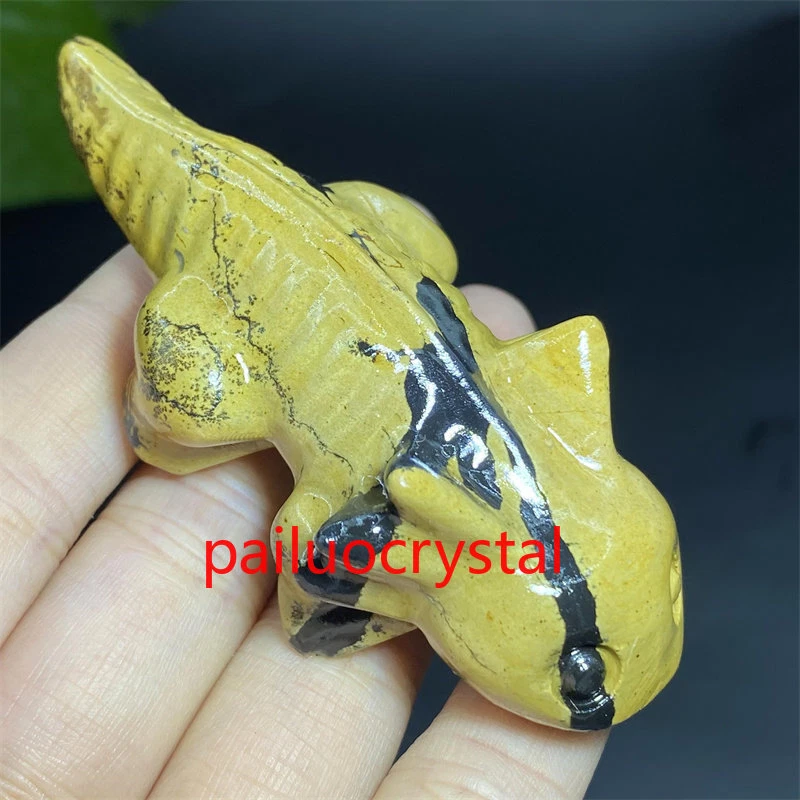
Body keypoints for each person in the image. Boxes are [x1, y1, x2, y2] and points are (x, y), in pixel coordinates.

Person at [0, 245, 607, 798]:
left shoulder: (471, 512)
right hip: (254, 292)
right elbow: (307, 555)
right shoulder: (406, 518)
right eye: (582, 671)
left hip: (367, 282)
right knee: (183, 416)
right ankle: (152, 415)